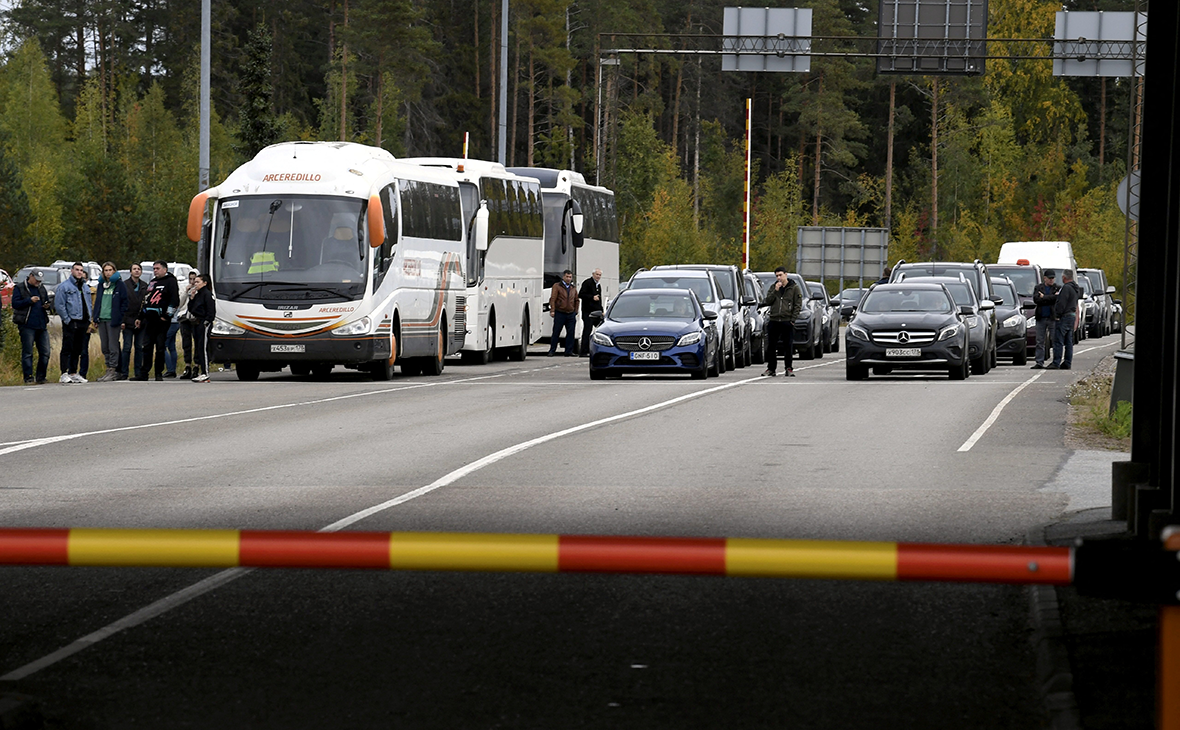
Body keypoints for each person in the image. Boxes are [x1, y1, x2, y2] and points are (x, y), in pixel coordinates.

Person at [134, 261, 179, 381]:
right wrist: (140, 317)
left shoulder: (171, 281)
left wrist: (168, 315)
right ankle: (144, 373)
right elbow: (146, 299)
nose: (155, 271)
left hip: (162, 320)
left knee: (160, 347)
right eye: (154, 269)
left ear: (165, 269)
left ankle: (158, 372)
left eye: (157, 268)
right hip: (149, 319)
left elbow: (175, 300)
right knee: (147, 346)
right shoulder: (153, 282)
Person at [54, 262, 92, 383]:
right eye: (77, 269)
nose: (79, 272)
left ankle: (73, 372)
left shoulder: (85, 286)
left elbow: (89, 303)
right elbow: (59, 305)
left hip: (83, 321)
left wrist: (89, 319)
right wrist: (67, 319)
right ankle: (64, 373)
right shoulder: (64, 287)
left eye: (81, 270)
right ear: (72, 271)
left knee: (78, 348)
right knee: (67, 347)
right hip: (71, 321)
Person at [11, 269, 51, 384]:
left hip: (41, 324)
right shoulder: (20, 287)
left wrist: (46, 305)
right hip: (27, 324)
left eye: (40, 281)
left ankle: (41, 377)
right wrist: (29, 300)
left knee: (45, 352)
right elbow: (15, 304)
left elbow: (47, 301)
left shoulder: (41, 288)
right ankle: (28, 377)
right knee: (28, 352)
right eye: (37, 280)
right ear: (31, 276)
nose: (38, 282)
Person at [761, 266, 802, 377]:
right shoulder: (773, 287)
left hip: (786, 320)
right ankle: (771, 369)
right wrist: (775, 290)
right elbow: (768, 301)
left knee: (787, 346)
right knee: (771, 346)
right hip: (774, 320)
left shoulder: (794, 288)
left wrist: (792, 320)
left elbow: (798, 305)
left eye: (780, 275)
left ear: (786, 274)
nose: (779, 278)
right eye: (777, 276)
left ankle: (788, 368)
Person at [91, 262, 127, 382]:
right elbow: (97, 302)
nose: (108, 272)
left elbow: (124, 302)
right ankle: (108, 368)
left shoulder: (119, 285)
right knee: (104, 346)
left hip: (113, 320)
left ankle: (114, 369)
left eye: (110, 270)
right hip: (102, 318)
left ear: (114, 271)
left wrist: (120, 317)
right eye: (105, 270)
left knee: (113, 346)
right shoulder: (101, 285)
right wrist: (95, 317)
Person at [120, 263, 150, 381]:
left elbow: (147, 302)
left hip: (141, 321)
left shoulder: (144, 286)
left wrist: (143, 318)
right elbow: (121, 303)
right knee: (127, 347)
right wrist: (122, 320)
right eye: (134, 269)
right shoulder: (125, 285)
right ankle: (124, 372)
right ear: (130, 271)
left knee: (139, 347)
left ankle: (138, 372)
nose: (137, 271)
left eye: (139, 269)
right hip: (127, 320)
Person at [165, 270, 196, 378]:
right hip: (183, 317)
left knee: (197, 342)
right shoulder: (184, 289)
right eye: (190, 279)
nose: (192, 282)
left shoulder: (200, 290)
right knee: (184, 343)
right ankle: (186, 366)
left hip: (195, 318)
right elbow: (180, 303)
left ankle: (196, 366)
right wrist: (186, 293)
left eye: (194, 279)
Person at [1050, 269, 1082, 370]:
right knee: (1069, 341)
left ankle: (1056, 362)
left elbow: (1062, 303)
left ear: (1064, 277)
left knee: (1058, 340)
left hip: (1064, 316)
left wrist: (1057, 314)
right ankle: (1067, 362)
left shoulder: (1066, 288)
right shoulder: (1075, 288)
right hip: (1072, 316)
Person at [187, 273, 216, 382]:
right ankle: (202, 372)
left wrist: (207, 321)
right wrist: (192, 298)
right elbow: (191, 309)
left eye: (198, 282)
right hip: (196, 323)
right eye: (195, 282)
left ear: (205, 283)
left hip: (204, 323)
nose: (196, 284)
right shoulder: (198, 294)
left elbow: (211, 310)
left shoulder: (207, 294)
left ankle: (206, 372)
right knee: (199, 348)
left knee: (203, 348)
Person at [1029, 269, 1059, 369]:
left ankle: (1056, 361)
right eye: (1049, 278)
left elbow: (1057, 299)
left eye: (1053, 278)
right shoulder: (1038, 287)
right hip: (1041, 317)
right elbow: (1036, 299)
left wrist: (1044, 297)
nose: (1051, 280)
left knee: (1055, 340)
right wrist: (1050, 298)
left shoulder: (1057, 288)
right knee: (1039, 341)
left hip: (1052, 317)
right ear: (1044, 278)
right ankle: (1039, 362)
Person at [547, 269, 579, 356]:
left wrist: (575, 311)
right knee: (556, 332)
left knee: (571, 333)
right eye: (567, 277)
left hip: (570, 313)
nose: (568, 279)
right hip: (560, 312)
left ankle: (569, 351)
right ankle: (552, 350)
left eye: (570, 277)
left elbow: (576, 299)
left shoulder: (573, 288)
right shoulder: (557, 286)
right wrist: (552, 310)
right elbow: (553, 298)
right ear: (563, 277)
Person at [578, 268, 603, 357]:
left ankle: (598, 349)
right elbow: (581, 294)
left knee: (601, 330)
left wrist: (602, 311)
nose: (598, 276)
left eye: (600, 275)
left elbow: (600, 299)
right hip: (588, 312)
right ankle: (583, 351)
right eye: (597, 274)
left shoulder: (598, 285)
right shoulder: (587, 283)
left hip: (597, 312)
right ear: (593, 274)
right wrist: (592, 297)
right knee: (587, 330)